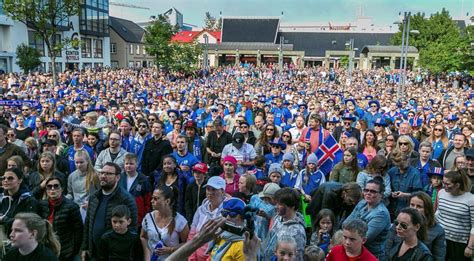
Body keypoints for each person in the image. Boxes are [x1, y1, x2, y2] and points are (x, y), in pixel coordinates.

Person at [81, 162, 138, 260]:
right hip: (94, 252)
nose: (103, 176)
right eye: (102, 173)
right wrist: (85, 247)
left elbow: (132, 228)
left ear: (117, 177)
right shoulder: (94, 197)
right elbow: (88, 224)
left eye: (108, 174)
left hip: (114, 255)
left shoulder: (126, 199)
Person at [386, 192, 446, 261]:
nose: (414, 209)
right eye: (412, 205)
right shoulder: (400, 222)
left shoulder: (437, 230)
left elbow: (439, 257)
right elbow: (387, 245)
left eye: (419, 206)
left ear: (427, 210)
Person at [344, 177, 391, 260]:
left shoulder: (381, 214)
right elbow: (345, 224)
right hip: (354, 250)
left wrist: (349, 232)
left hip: (372, 255)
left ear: (381, 194)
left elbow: (364, 239)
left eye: (373, 191)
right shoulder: (362, 203)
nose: (368, 193)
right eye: (366, 190)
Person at [140, 185, 189, 261]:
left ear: (167, 201)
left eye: (156, 199)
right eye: (152, 198)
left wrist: (170, 249)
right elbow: (143, 237)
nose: (151, 201)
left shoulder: (180, 221)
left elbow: (187, 243)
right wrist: (147, 255)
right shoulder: (148, 218)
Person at [436, 170, 474, 260]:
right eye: (443, 182)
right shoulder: (441, 193)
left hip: (459, 242)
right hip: (440, 238)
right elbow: (438, 212)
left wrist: (470, 247)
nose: (444, 186)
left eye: (447, 184)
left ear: (457, 185)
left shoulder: (471, 199)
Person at [43, 177, 83, 261]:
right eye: (49, 187)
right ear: (46, 190)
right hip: (47, 249)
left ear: (62, 189)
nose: (52, 189)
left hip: (66, 251)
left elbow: (78, 232)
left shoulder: (72, 207)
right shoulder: (42, 205)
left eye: (56, 186)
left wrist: (74, 251)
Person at [261, 187, 306, 261]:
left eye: (280, 204)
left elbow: (298, 257)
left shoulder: (297, 231)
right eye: (277, 203)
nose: (276, 207)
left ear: (292, 206)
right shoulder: (277, 218)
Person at [188, 176, 226, 260]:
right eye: (208, 189)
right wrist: (191, 256)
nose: (210, 192)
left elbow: (223, 242)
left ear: (222, 192)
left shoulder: (226, 213)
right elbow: (192, 234)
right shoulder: (200, 209)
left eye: (214, 189)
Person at [0, 168, 45, 235]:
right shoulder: (2, 198)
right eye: (4, 178)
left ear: (20, 180)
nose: (5, 180)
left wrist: (4, 219)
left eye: (10, 178)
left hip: (21, 239)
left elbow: (28, 223)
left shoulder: (28, 200)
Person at [119, 153, 152, 225]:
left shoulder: (143, 179)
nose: (128, 166)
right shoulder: (120, 178)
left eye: (131, 164)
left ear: (136, 164)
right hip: (121, 214)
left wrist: (145, 214)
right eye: (126, 163)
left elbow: (148, 200)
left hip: (138, 216)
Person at [66, 149, 99, 220]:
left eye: (81, 162)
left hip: (89, 208)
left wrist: (91, 204)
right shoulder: (72, 176)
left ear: (87, 161)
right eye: (76, 162)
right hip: (75, 208)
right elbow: (70, 193)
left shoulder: (95, 175)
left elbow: (100, 194)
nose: (79, 165)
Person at [388, 150, 423, 217]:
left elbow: (419, 194)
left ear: (408, 160)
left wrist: (404, 194)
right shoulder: (392, 171)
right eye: (398, 166)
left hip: (407, 209)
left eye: (401, 166)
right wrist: (391, 193)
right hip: (392, 208)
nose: (399, 168)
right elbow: (385, 187)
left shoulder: (415, 173)